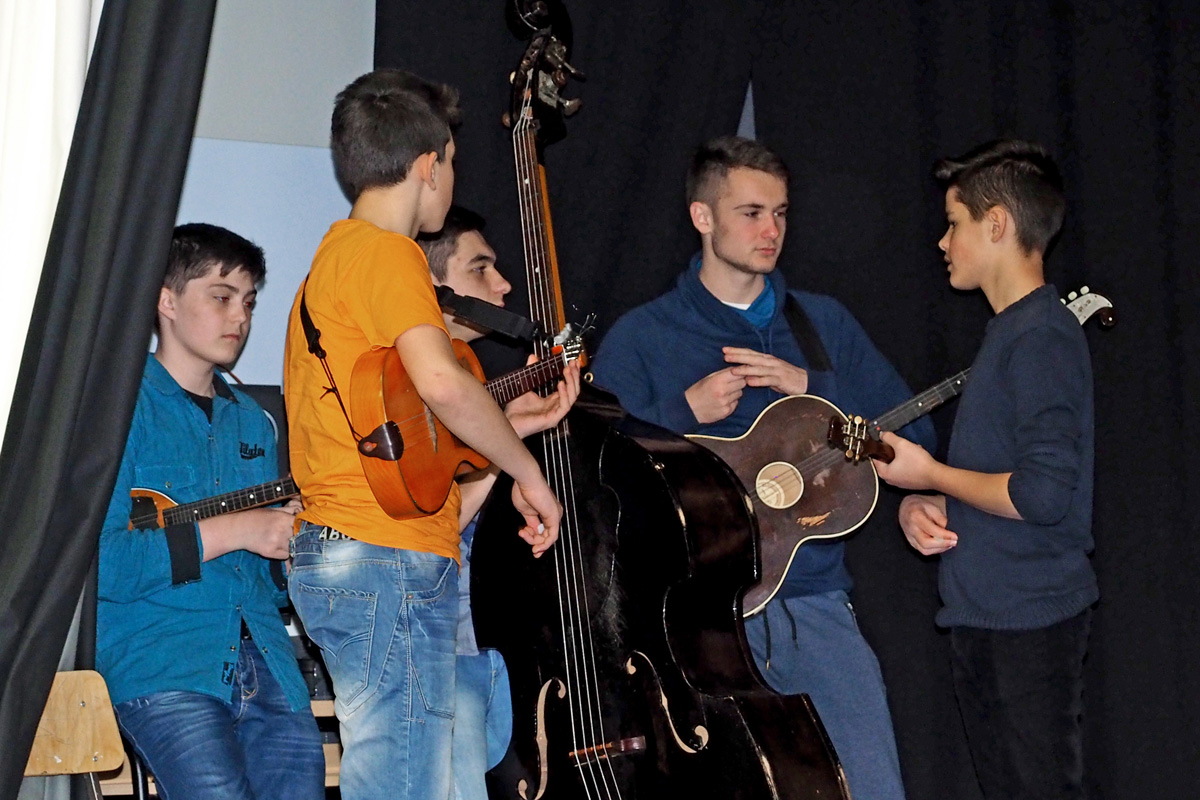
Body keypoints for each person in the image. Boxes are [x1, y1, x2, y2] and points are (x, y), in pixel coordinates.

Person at [590, 135, 935, 800]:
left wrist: (813, 388)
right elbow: (594, 478)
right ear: (702, 217)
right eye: (750, 213)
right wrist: (678, 410)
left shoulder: (822, 324)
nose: (770, 230)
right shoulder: (644, 336)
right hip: (691, 624)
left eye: (779, 213)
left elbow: (913, 432)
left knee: (871, 784)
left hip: (813, 602)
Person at [283, 70, 563, 800]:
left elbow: (417, 422)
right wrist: (529, 471)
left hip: (352, 552)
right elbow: (442, 382)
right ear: (429, 165)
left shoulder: (333, 262)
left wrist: (499, 442)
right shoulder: (387, 253)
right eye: (453, 163)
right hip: (383, 558)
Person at [874, 139, 1096, 800]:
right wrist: (930, 505)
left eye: (954, 223)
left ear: (996, 224)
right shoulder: (1012, 334)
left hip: (1028, 625)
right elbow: (1009, 487)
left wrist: (930, 475)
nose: (943, 242)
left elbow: (1041, 495)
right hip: (991, 620)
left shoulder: (1041, 336)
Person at [96, 223, 325, 800]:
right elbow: (106, 565)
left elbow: (268, 585)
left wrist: (289, 545)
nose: (240, 317)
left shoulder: (254, 421)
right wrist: (237, 529)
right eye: (221, 297)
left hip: (269, 660)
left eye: (248, 302)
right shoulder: (117, 412)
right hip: (163, 662)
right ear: (166, 301)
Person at [417, 205, 581, 800]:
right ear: (433, 287)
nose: (504, 284)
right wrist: (507, 445)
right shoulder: (401, 394)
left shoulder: (471, 381)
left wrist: (509, 427)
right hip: (432, 648)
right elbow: (430, 532)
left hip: (480, 646)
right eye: (480, 268)